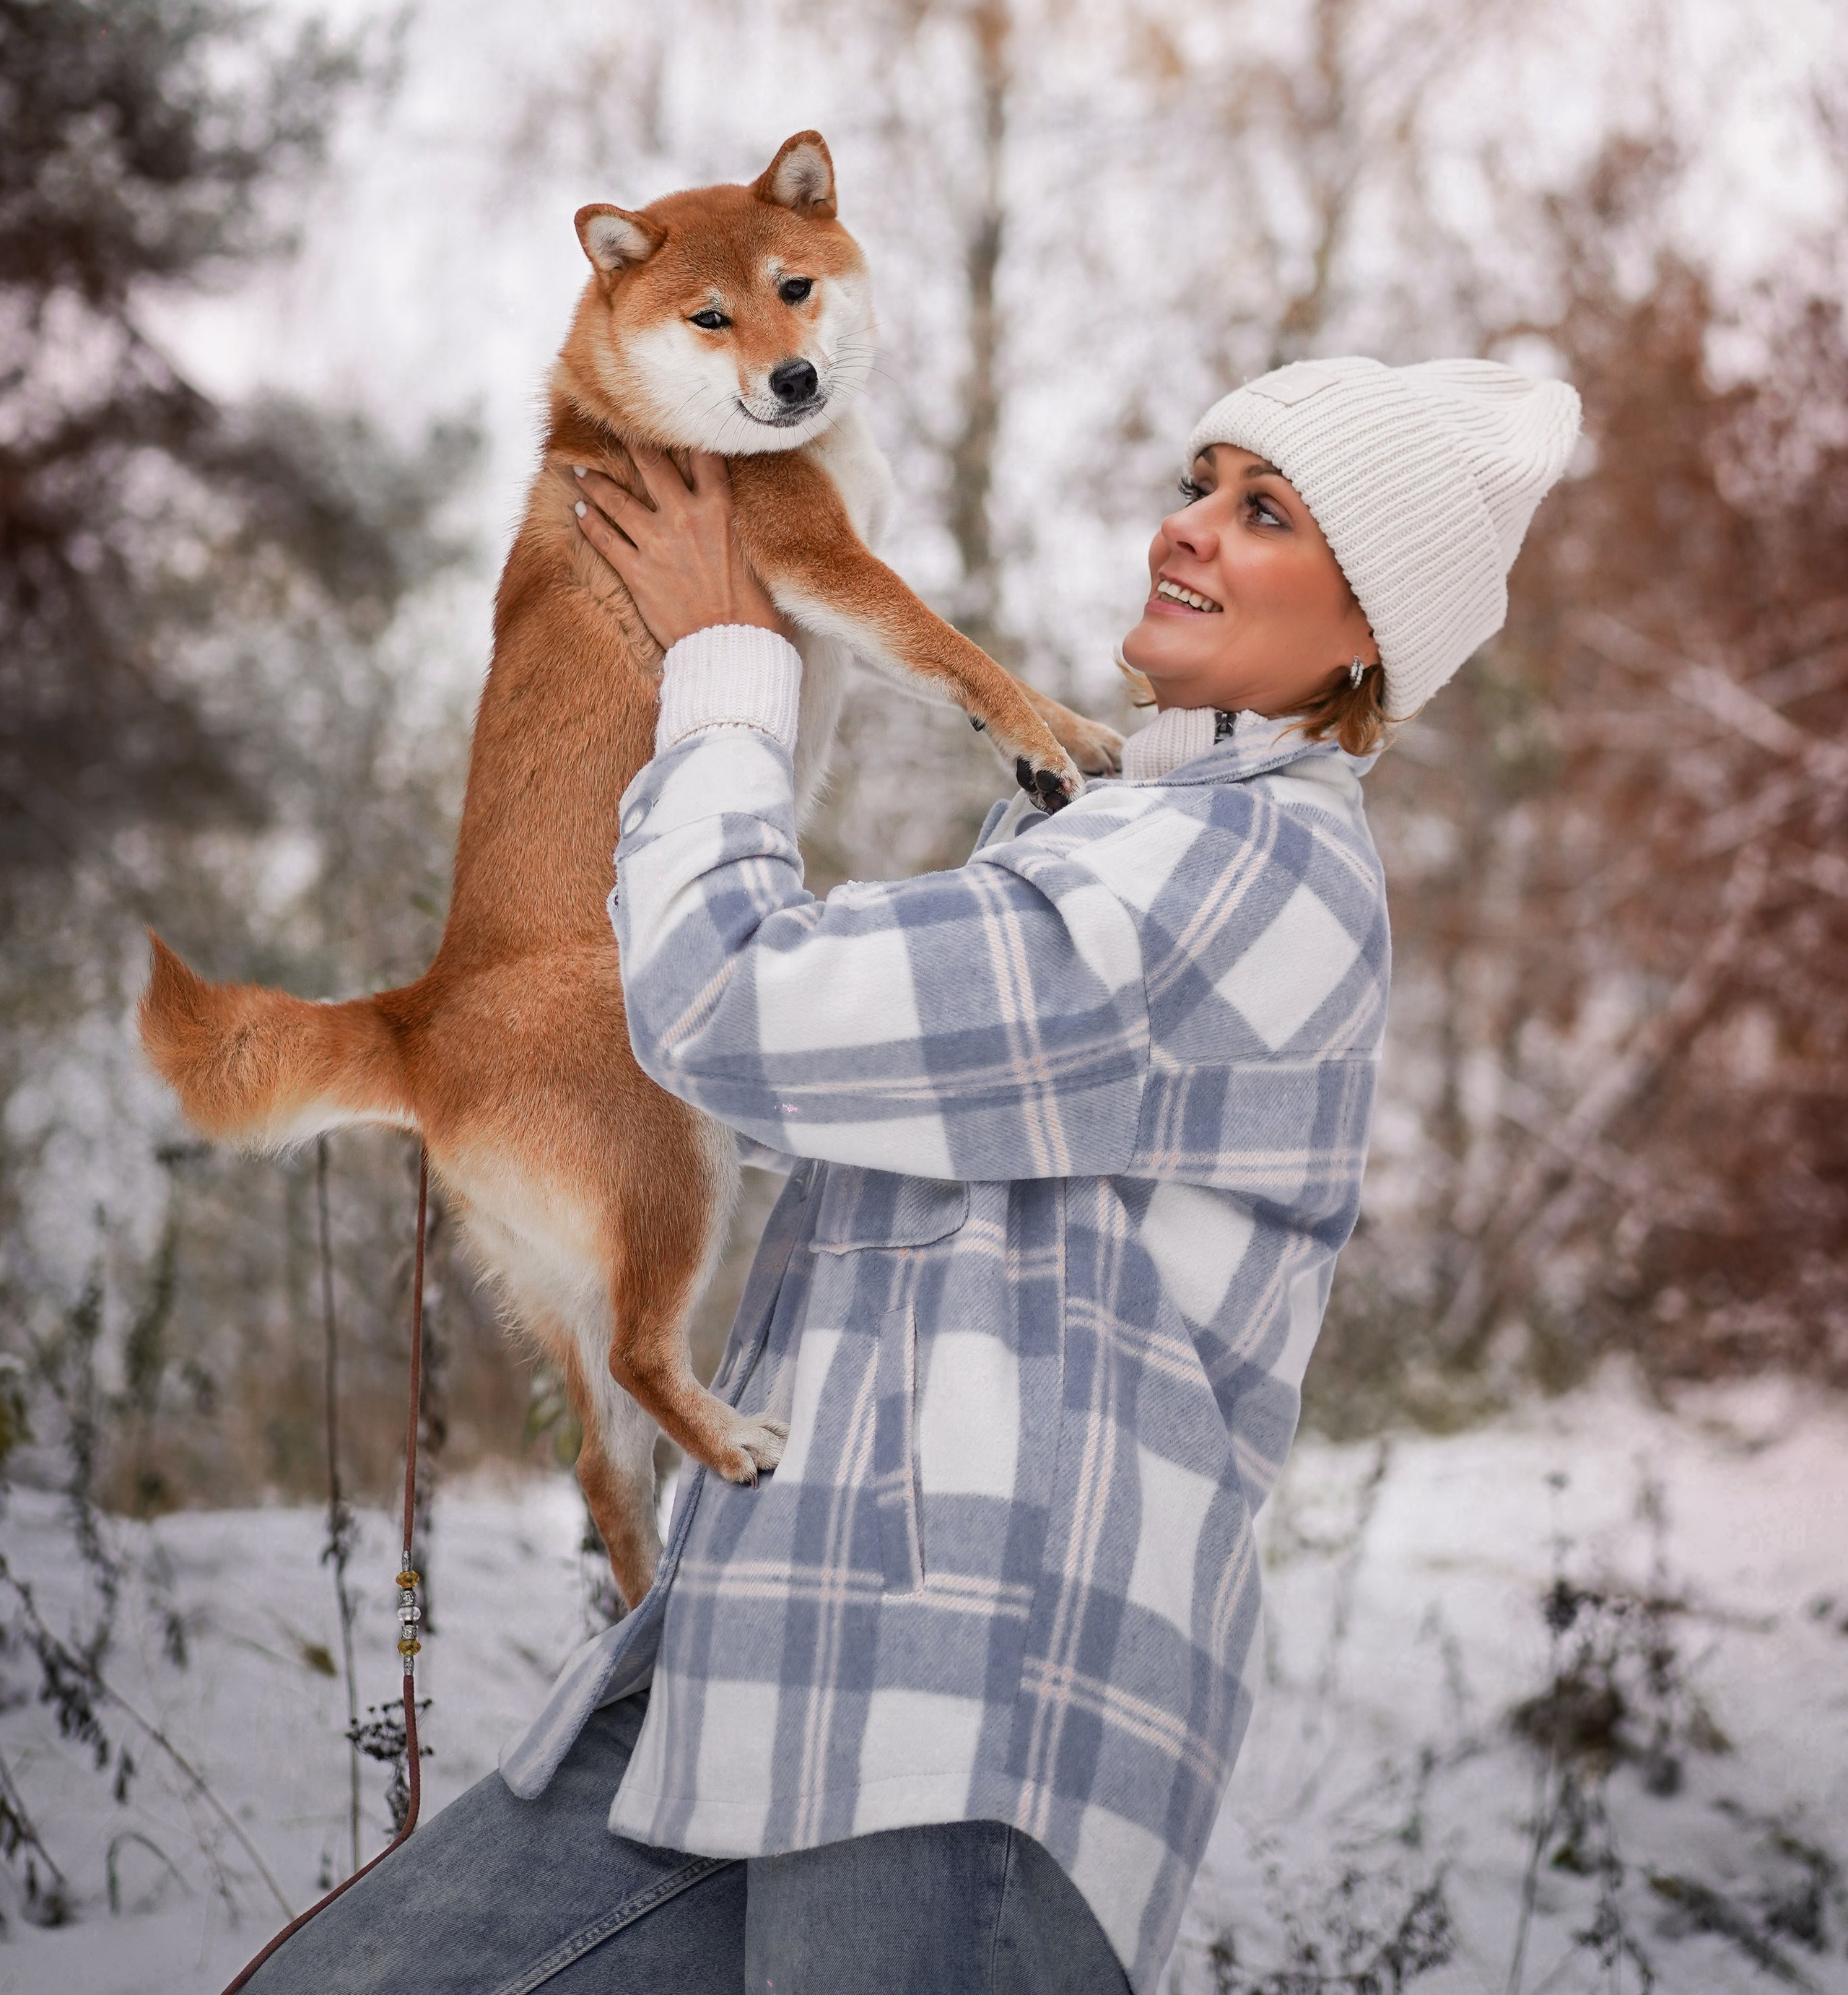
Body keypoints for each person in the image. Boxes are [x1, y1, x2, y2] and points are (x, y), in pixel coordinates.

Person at [261, 354, 1578, 1995]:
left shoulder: (1248, 871)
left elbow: (743, 1004)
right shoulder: (1096, 838)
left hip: (974, 1701)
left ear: (1366, 629)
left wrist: (730, 664)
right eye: (1196, 481)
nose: (1185, 529)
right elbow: (737, 1077)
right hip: (775, 1664)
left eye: (1261, 512)